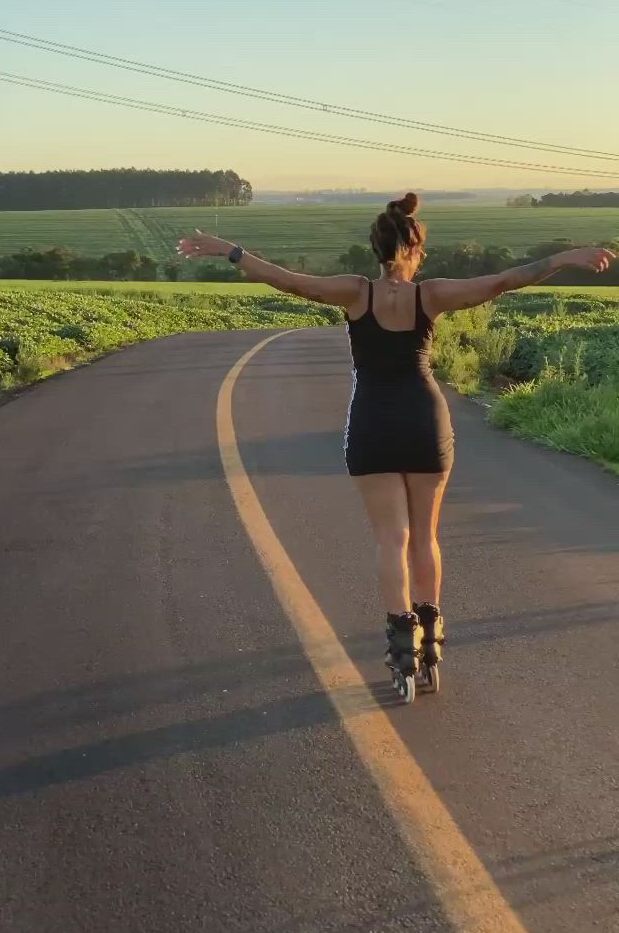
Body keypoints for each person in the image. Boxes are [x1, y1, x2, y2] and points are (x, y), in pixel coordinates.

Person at [177, 196, 614, 683]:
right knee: (425, 537)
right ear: (414, 248)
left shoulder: (354, 292)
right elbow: (505, 281)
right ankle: (432, 634)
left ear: (377, 248)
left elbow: (287, 280)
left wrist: (230, 251)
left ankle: (402, 647)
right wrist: (566, 257)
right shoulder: (433, 295)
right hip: (424, 421)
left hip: (373, 423)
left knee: (391, 538)